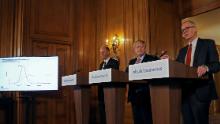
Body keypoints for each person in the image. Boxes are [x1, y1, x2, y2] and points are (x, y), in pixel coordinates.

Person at [176, 19, 220, 124]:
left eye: (187, 28)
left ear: (195, 29)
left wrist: (206, 67)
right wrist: (168, 62)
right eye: (182, 30)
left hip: (201, 91)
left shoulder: (208, 43)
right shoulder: (182, 51)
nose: (184, 32)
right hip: (184, 92)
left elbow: (216, 65)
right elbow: (177, 67)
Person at [126, 40, 158, 124]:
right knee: (137, 120)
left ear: (145, 48)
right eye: (137, 47)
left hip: (146, 95)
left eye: (141, 46)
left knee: (147, 120)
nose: (139, 48)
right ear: (134, 49)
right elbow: (126, 75)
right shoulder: (131, 62)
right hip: (134, 96)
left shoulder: (152, 59)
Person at [98, 45, 119, 124]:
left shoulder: (114, 62)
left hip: (110, 91)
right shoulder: (101, 64)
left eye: (103, 52)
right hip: (101, 92)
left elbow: (113, 74)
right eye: (100, 53)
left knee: (110, 114)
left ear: (108, 52)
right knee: (102, 114)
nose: (101, 54)